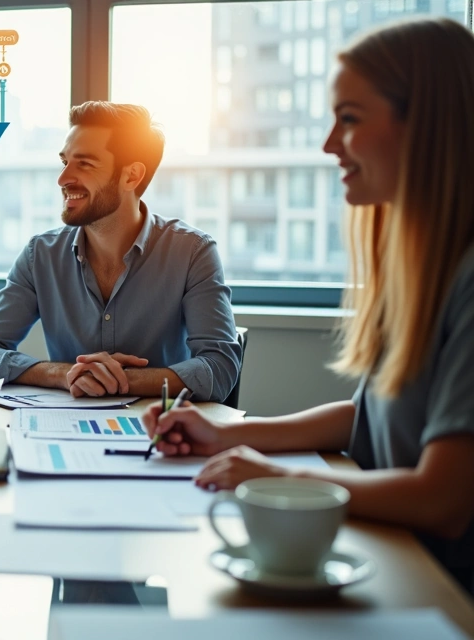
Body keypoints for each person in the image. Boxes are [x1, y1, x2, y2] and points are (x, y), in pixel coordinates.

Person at [143, 17, 474, 590]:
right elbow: (365, 418)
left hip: (443, 592)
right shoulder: (426, 273)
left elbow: (443, 498)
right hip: (398, 562)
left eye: (349, 118)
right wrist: (228, 436)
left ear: (425, 125)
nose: (327, 144)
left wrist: (274, 478)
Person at [0, 102, 241, 402]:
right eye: (65, 161)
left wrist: (117, 380)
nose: (63, 178)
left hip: (162, 435)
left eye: (84, 164)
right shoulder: (39, 255)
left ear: (131, 176)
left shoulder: (193, 253)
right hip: (66, 431)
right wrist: (62, 374)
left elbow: (220, 369)